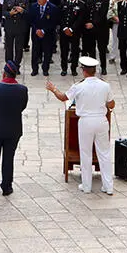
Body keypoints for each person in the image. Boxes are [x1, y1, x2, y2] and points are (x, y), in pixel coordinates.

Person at [47, 57, 115, 195]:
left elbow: (63, 97)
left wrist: (53, 89)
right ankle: (108, 186)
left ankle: (87, 185)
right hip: (101, 120)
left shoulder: (79, 86)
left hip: (86, 122)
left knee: (86, 154)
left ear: (84, 71)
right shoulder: (105, 86)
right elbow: (112, 104)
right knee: (104, 153)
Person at [0, 61, 28, 196]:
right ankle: (7, 186)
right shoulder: (22, 90)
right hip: (13, 129)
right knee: (9, 159)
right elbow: (22, 106)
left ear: (4, 73)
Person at [29, 0, 58, 77]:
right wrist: (37, 30)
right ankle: (34, 69)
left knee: (47, 52)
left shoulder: (53, 8)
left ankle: (45, 69)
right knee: (35, 52)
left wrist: (43, 30)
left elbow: (54, 22)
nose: (39, 0)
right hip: (36, 33)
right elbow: (31, 20)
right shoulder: (33, 6)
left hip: (47, 34)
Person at [83, 0, 111, 75]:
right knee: (91, 49)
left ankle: (103, 67)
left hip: (100, 29)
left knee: (101, 49)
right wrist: (87, 23)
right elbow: (86, 12)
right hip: (90, 29)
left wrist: (93, 24)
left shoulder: (104, 0)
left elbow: (102, 15)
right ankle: (92, 67)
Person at [59, 0, 86, 76]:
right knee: (64, 51)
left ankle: (73, 68)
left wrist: (71, 29)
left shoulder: (81, 4)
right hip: (64, 31)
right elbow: (60, 17)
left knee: (75, 51)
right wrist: (65, 28)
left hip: (75, 32)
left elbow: (80, 19)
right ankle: (64, 68)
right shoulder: (63, 2)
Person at [3, 0, 29, 66]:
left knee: (19, 48)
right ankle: (9, 65)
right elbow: (3, 12)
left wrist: (22, 11)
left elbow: (29, 12)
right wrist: (9, 13)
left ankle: (17, 65)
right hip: (9, 27)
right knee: (8, 48)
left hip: (20, 27)